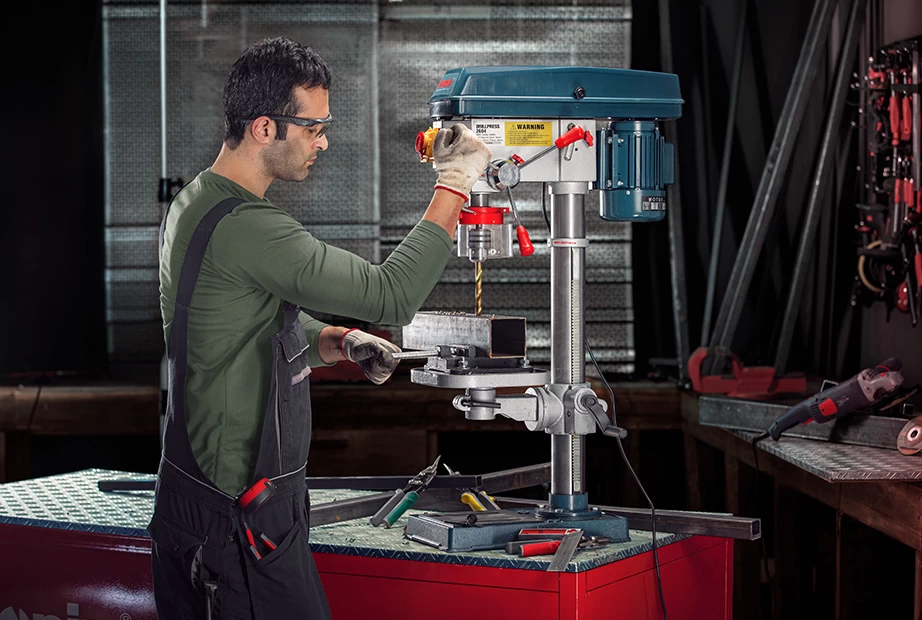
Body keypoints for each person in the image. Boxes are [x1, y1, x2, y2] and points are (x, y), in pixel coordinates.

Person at [149, 36, 490, 619]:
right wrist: (454, 184)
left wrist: (332, 341)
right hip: (242, 518)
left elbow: (227, 318)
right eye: (313, 127)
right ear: (264, 128)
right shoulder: (252, 227)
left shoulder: (195, 202)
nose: (323, 141)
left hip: (189, 498)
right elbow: (392, 294)